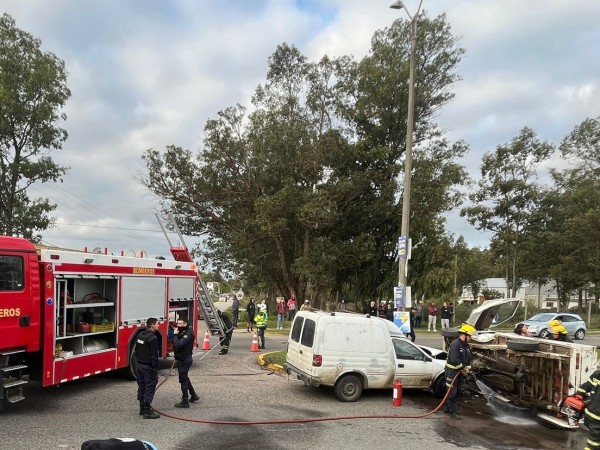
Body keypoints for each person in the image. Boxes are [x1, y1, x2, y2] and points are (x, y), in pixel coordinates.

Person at [443, 323, 475, 420]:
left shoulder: (466, 345)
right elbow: (454, 360)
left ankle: (448, 407)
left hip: (459, 372)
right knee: (452, 392)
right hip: (451, 371)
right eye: (469, 336)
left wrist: (468, 369)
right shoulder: (455, 345)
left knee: (458, 391)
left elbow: (468, 359)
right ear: (463, 335)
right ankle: (452, 410)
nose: (470, 338)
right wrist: (464, 369)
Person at [135, 317, 160, 419]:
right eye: (157, 324)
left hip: (139, 365)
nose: (158, 325)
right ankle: (147, 411)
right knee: (150, 387)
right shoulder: (153, 338)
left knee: (141, 386)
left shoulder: (140, 335)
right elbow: (154, 355)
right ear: (152, 325)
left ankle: (141, 408)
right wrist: (155, 368)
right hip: (148, 367)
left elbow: (136, 351)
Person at [172, 317, 200, 408]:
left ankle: (185, 401)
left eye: (180, 324)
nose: (178, 325)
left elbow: (179, 345)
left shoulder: (187, 334)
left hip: (185, 359)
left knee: (183, 379)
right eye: (177, 323)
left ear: (185, 324)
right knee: (185, 377)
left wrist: (175, 335)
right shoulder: (182, 332)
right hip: (182, 359)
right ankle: (194, 395)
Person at [576, 369, 600, 450]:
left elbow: (586, 386)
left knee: (594, 441)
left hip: (591, 415)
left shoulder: (597, 374)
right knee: (593, 443)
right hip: (596, 419)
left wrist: (579, 394)